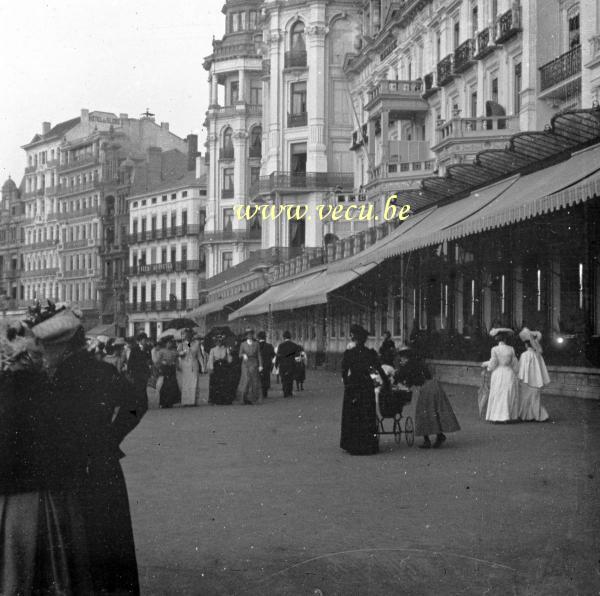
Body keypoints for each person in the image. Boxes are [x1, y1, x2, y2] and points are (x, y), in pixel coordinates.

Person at [35, 306, 146, 595]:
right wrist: (112, 436)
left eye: (48, 349)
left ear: (61, 346)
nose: (45, 355)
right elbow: (138, 402)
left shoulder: (54, 380)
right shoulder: (103, 370)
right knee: (112, 535)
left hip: (69, 471)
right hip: (104, 463)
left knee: (80, 542)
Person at [0, 318, 93, 595]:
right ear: (31, 357)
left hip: (10, 494)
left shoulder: (6, 389)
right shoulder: (47, 390)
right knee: (52, 569)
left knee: (14, 568)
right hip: (47, 493)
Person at [340, 324, 389, 455]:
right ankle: (369, 445)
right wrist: (387, 383)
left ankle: (352, 444)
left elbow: (344, 372)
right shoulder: (370, 353)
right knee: (367, 414)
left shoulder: (349, 354)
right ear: (365, 339)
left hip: (353, 385)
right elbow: (379, 369)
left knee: (353, 415)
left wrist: (346, 384)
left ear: (354, 339)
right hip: (366, 385)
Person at [412, 365, 461, 449]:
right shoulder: (425, 365)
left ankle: (427, 439)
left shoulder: (416, 366)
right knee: (433, 411)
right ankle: (437, 435)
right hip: (434, 386)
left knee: (424, 412)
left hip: (426, 387)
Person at [482, 328, 520, 423]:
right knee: (508, 393)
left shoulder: (494, 349)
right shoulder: (511, 349)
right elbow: (515, 363)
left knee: (498, 393)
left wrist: (488, 367)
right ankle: (508, 416)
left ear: (496, 339)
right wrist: (516, 372)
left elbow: (494, 362)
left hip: (498, 373)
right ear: (506, 339)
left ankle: (497, 416)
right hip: (508, 372)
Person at [517, 327, 550, 422]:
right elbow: (541, 368)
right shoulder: (537, 355)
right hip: (536, 380)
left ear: (526, 345)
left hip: (527, 380)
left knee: (526, 397)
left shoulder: (525, 355)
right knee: (535, 398)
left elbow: (521, 368)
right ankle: (537, 415)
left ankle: (526, 415)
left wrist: (519, 377)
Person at [235, 328, 263, 404]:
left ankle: (253, 399)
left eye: (251, 334)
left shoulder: (256, 344)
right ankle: (243, 398)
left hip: (254, 363)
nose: (249, 335)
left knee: (254, 380)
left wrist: (260, 365)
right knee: (246, 379)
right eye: (248, 334)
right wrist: (243, 355)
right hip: (245, 364)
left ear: (252, 335)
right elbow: (239, 354)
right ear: (246, 335)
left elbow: (259, 355)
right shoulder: (243, 344)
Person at [207, 334, 233, 404]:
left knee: (225, 383)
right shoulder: (213, 350)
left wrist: (229, 353)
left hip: (224, 367)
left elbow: (230, 360)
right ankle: (216, 399)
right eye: (217, 341)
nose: (219, 342)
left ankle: (225, 399)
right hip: (216, 368)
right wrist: (211, 368)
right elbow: (211, 359)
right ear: (215, 342)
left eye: (220, 341)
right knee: (216, 384)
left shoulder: (225, 349)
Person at [127, 331, 152, 401]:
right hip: (136, 371)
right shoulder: (134, 349)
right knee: (138, 386)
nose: (145, 341)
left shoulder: (148, 349)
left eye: (146, 340)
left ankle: (143, 400)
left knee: (144, 385)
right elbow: (130, 361)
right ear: (140, 340)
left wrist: (150, 366)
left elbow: (150, 359)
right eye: (144, 340)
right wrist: (129, 371)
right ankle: (139, 400)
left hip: (144, 370)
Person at [178, 328, 200, 406]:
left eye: (189, 335)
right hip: (185, 364)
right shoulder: (182, 344)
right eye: (186, 335)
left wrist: (203, 366)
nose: (188, 337)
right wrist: (182, 353)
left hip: (193, 363)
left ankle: (193, 401)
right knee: (186, 383)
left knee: (194, 382)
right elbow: (178, 353)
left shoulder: (197, 343)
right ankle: (185, 401)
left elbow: (198, 354)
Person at [276, 330, 301, 398]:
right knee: (290, 378)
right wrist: (298, 364)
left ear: (283, 337)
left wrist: (276, 364)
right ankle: (289, 392)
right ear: (290, 337)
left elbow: (278, 356)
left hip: (283, 365)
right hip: (291, 365)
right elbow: (297, 357)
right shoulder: (295, 345)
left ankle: (285, 392)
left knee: (284, 379)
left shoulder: (281, 346)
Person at [157, 337, 180, 408]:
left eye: (171, 343)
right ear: (165, 344)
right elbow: (157, 360)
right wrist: (161, 363)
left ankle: (171, 402)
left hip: (172, 369)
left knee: (173, 385)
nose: (170, 344)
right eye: (168, 343)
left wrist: (177, 365)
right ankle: (163, 402)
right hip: (165, 369)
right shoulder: (161, 351)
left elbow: (177, 360)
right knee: (165, 385)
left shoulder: (174, 351)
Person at [257, 331, 275, 399]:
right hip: (267, 365)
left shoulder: (256, 345)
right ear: (265, 337)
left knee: (258, 378)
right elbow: (273, 355)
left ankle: (259, 392)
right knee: (266, 378)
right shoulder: (269, 346)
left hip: (258, 365)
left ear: (258, 338)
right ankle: (265, 392)